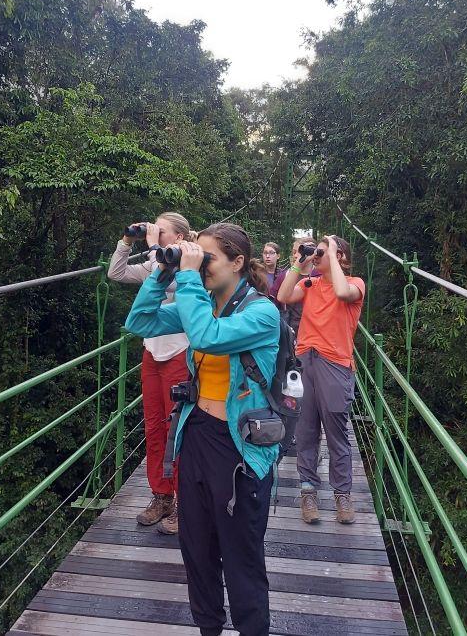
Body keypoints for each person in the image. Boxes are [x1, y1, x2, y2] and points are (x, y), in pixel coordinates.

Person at [125, 223, 280, 636]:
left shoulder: (262, 313)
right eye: (199, 256)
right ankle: (207, 628)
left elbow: (205, 337)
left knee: (241, 558)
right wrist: (162, 271)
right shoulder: (203, 301)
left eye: (208, 258)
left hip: (239, 449)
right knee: (196, 552)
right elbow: (140, 321)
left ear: (239, 262)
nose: (201, 265)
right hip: (194, 436)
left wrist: (188, 277)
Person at [107, 212, 192, 535]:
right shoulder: (154, 262)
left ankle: (186, 501)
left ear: (180, 238)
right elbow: (116, 273)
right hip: (152, 354)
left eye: (161, 230)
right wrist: (127, 240)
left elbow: (168, 281)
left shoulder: (189, 267)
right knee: (154, 427)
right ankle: (162, 495)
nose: (153, 233)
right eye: (153, 228)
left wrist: (157, 248)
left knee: (178, 429)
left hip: (179, 354)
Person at [277, 235, 364, 525]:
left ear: (339, 257)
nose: (317, 255)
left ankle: (342, 495)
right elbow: (283, 296)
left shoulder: (355, 285)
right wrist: (299, 264)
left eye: (322, 252)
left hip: (336, 364)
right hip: (305, 360)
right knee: (305, 430)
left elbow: (341, 293)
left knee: (337, 433)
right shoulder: (309, 284)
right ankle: (308, 490)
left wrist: (333, 251)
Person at [270, 236, 320, 337]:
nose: (296, 255)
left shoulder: (321, 276)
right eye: (294, 252)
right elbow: (272, 302)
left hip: (314, 331)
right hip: (289, 331)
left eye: (300, 251)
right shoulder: (285, 275)